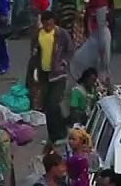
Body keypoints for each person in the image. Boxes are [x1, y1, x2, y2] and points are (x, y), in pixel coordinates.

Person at [31, 10, 74, 144]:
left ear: (54, 23)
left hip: (58, 75)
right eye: (46, 25)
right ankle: (53, 135)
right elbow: (34, 52)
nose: (48, 27)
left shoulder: (61, 34)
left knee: (53, 104)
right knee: (47, 107)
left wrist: (63, 62)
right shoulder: (38, 34)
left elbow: (70, 49)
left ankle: (60, 132)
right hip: (44, 74)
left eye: (50, 24)